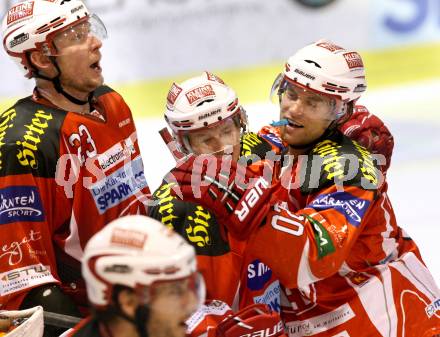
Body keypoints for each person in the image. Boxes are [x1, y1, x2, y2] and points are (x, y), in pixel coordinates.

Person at [167, 40, 440, 336]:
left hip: (392, 318)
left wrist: (240, 202)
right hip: (324, 319)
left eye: (312, 103)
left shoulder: (350, 166)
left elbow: (312, 259)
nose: (294, 109)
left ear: (340, 110)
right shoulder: (277, 141)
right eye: (290, 93)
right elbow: (227, 154)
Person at [0, 0, 150, 329]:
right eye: (76, 35)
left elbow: (136, 199)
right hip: (90, 309)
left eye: (88, 28)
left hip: (139, 287)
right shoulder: (21, 143)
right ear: (41, 58)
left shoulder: (112, 103)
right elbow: (24, 279)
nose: (95, 41)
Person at [149, 72, 285, 312]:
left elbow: (288, 138)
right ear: (183, 145)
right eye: (205, 139)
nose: (222, 147)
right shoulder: (173, 210)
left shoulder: (261, 150)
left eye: (226, 131)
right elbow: (178, 312)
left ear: (241, 123)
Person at [67, 215, 286, 337]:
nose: (191, 305)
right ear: (129, 301)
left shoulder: (207, 324)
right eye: (174, 292)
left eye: (191, 286)